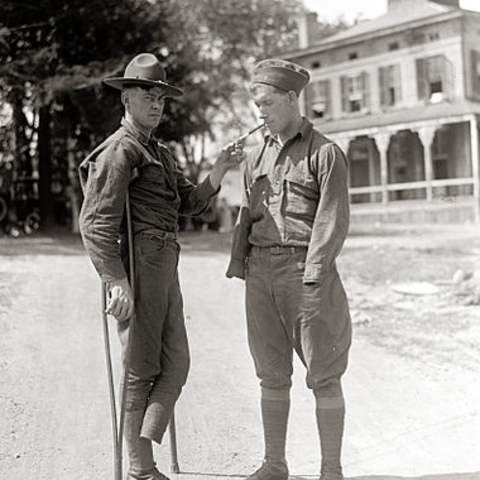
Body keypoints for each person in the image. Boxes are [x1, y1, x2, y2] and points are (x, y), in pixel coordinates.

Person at [78, 53, 244, 480]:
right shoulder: (119, 151)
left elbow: (189, 203)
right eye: (147, 96)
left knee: (178, 362)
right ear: (126, 100)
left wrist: (220, 169)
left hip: (166, 262)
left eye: (161, 99)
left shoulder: (160, 152)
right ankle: (140, 467)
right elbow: (95, 223)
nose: (156, 104)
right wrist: (115, 281)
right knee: (140, 367)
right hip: (137, 263)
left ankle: (144, 443)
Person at [226, 59, 351, 480]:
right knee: (271, 372)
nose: (259, 112)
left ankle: (330, 469)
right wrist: (241, 263)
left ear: (292, 99)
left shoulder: (326, 153)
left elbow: (332, 221)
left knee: (323, 374)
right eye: (256, 105)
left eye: (266, 103)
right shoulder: (254, 154)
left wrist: (314, 276)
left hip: (305, 272)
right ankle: (274, 463)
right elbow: (246, 212)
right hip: (260, 272)